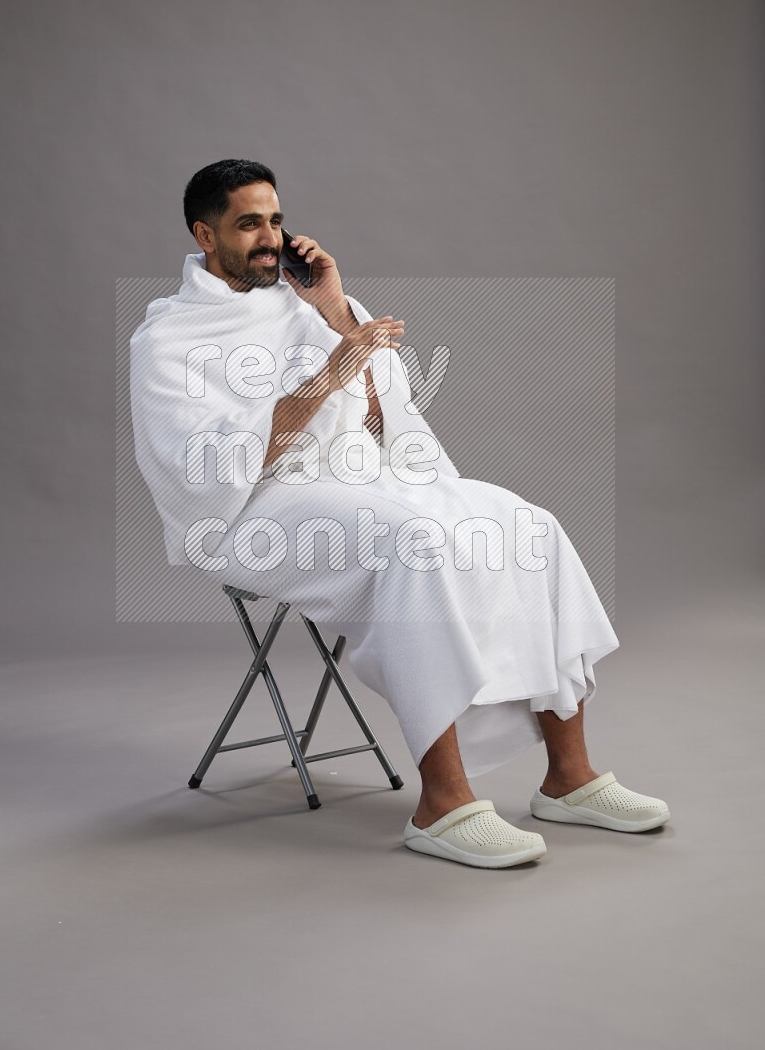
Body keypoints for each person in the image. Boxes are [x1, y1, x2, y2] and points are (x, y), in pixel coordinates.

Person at [129, 158, 670, 871]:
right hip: (254, 511)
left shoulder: (310, 306)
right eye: (249, 223)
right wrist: (333, 368)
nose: (271, 238)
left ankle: (568, 778)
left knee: (526, 526)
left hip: (360, 478)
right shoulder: (168, 340)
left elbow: (387, 426)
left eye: (277, 220)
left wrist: (331, 312)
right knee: (413, 542)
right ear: (205, 233)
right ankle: (441, 803)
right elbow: (210, 468)